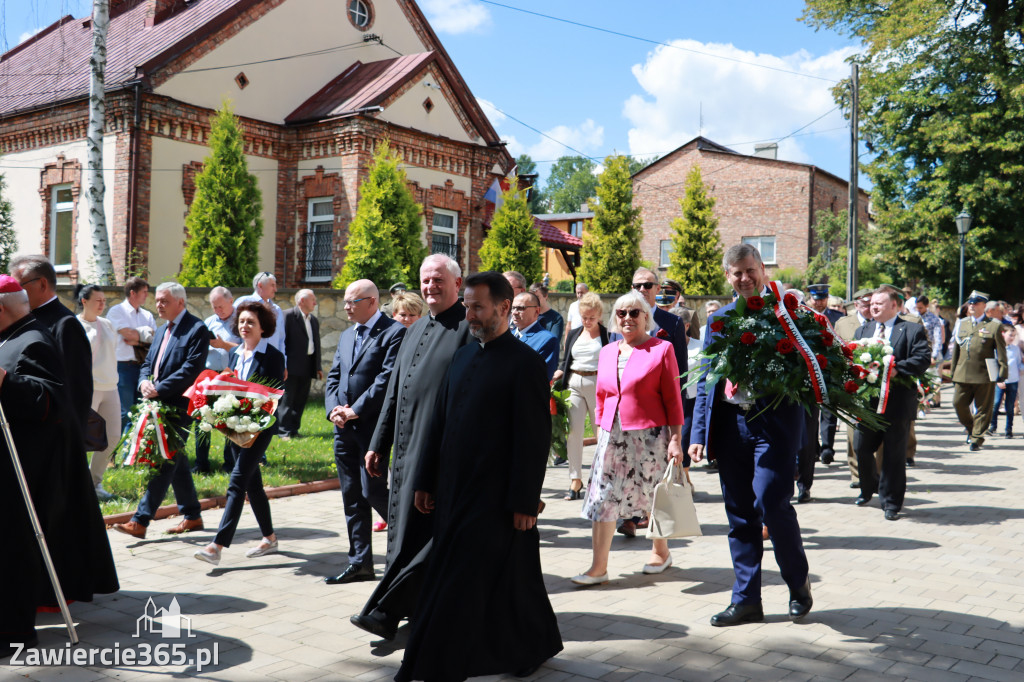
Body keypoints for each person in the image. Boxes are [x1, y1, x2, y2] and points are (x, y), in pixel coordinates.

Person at [395, 271, 562, 682]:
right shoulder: (464, 355)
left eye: (477, 307)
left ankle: (435, 664)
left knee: (464, 580)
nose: (469, 314)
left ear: (504, 308)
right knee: (514, 579)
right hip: (453, 490)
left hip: (496, 495)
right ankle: (534, 644)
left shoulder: (525, 364)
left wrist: (525, 502)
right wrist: (426, 480)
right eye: (467, 305)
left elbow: (533, 439)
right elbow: (440, 422)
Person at [689, 244, 813, 626]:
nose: (744, 279)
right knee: (739, 515)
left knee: (772, 503)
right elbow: (707, 380)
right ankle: (746, 600)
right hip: (731, 427)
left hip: (773, 425)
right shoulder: (719, 320)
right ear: (728, 276)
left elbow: (809, 373)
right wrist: (697, 432)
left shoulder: (788, 314)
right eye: (736, 273)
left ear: (762, 268)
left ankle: (797, 583)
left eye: (749, 270)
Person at [351, 254, 472, 641]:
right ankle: (398, 610)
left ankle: (389, 611)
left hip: (438, 454)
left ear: (457, 283)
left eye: (438, 280)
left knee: (425, 537)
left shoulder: (470, 331)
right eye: (425, 281)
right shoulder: (415, 329)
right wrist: (377, 443)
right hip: (404, 452)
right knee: (402, 535)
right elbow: (394, 393)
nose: (431, 287)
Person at [0, 276, 119, 659]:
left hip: (26, 468)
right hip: (8, 460)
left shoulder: (34, 340)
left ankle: (16, 633)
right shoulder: (12, 335)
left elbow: (50, 401)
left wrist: (5, 381)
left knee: (14, 549)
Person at [572, 290, 684, 585]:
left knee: (652, 495)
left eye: (635, 312)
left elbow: (673, 399)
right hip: (612, 435)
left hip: (650, 436)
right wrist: (600, 428)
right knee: (602, 497)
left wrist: (676, 439)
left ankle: (661, 553)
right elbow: (601, 396)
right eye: (621, 313)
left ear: (646, 317)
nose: (627, 318)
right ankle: (598, 567)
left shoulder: (662, 349)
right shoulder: (608, 350)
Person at [323, 280, 405, 584]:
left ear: (372, 301)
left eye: (352, 301)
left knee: (373, 491)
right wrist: (334, 409)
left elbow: (386, 380)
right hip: (343, 429)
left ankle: (415, 543)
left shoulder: (394, 333)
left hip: (373, 428)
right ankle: (360, 563)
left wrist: (355, 409)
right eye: (345, 301)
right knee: (351, 495)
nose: (346, 307)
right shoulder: (347, 335)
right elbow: (334, 377)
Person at [112, 283, 209, 539]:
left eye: (164, 301)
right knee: (176, 459)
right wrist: (144, 381)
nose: (158, 305)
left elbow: (191, 369)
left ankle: (141, 520)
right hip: (155, 402)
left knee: (165, 460)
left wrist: (159, 388)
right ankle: (193, 515)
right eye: (157, 301)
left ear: (180, 302)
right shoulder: (161, 329)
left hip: (178, 405)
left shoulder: (197, 329)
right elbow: (147, 363)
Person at [194, 301, 286, 565]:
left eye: (251, 323)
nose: (244, 326)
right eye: (242, 322)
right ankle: (269, 538)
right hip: (235, 428)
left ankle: (217, 546)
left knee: (236, 481)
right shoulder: (235, 355)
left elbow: (273, 395)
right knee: (252, 483)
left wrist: (247, 411)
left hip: (260, 428)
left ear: (262, 328)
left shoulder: (273, 356)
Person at [852, 288, 931, 521]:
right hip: (868, 404)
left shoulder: (911, 329)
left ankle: (891, 502)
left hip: (897, 403)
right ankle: (869, 488)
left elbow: (922, 358)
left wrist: (897, 369)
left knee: (894, 455)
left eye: (879, 304)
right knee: (862, 448)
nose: (873, 307)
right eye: (871, 304)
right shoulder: (863, 329)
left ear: (895, 306)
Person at [10, 255, 93, 430]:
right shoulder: (26, 319)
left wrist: (69, 442)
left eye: (19, 287)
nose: (15, 295)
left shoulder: (65, 324)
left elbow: (77, 388)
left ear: (42, 284)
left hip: (55, 436)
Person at [552, 292, 609, 500]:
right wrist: (558, 373)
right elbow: (566, 360)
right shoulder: (575, 333)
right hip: (574, 382)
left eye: (591, 318)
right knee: (573, 432)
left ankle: (602, 478)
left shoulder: (607, 335)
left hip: (598, 384)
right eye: (584, 317)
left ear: (599, 315)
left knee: (601, 433)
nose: (587, 321)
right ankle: (575, 480)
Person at [75, 284, 120, 501]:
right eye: (97, 300)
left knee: (112, 436)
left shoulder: (108, 324)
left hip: (111, 387)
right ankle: (76, 484)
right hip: (87, 389)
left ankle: (94, 483)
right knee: (81, 439)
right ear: (84, 301)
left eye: (104, 300)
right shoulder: (74, 325)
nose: (102, 304)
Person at [951, 290, 1008, 451]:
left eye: (975, 303)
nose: (972, 306)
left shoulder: (994, 326)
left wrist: (1002, 374)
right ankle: (972, 429)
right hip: (962, 373)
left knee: (983, 409)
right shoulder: (962, 324)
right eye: (970, 303)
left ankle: (976, 438)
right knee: (958, 404)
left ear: (984, 306)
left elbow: (1001, 352)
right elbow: (956, 350)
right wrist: (953, 371)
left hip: (984, 374)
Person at [194, 286, 240, 474]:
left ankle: (230, 463)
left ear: (231, 301)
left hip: (231, 376)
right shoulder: (209, 322)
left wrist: (223, 345)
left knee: (231, 420)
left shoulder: (241, 321)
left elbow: (246, 348)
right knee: (203, 420)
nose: (218, 311)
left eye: (221, 306)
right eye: (214, 307)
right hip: (210, 375)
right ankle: (201, 463)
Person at [106, 276, 155, 428]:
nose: (147, 295)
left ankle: (135, 448)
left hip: (143, 368)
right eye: (144, 292)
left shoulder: (147, 315)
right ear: (133, 293)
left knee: (142, 410)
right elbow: (128, 335)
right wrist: (143, 335)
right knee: (124, 411)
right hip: (123, 367)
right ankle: (121, 448)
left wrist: (137, 340)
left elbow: (155, 338)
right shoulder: (117, 311)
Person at [279, 289, 322, 440]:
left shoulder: (313, 320)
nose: (315, 303)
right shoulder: (287, 316)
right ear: (302, 301)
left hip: (307, 364)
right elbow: (281, 343)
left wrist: (318, 367)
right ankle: (283, 430)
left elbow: (316, 344)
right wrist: (282, 365)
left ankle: (294, 429)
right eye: (313, 300)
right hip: (290, 366)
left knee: (301, 399)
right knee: (287, 399)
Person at [511, 291, 559, 381]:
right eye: (513, 308)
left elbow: (542, 377)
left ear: (537, 311)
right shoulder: (506, 336)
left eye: (520, 308)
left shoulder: (547, 339)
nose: (514, 312)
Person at [235, 271, 285, 353]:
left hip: (272, 360)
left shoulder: (277, 310)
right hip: (250, 357)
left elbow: (281, 339)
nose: (275, 289)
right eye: (272, 285)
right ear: (260, 285)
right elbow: (235, 332)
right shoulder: (243, 302)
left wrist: (283, 361)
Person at [990, 325, 1020, 438]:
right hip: (1000, 381)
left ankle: (1009, 429)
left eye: (1014, 335)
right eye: (1010, 335)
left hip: (1013, 381)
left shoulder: (1015, 349)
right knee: (996, 403)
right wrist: (998, 380)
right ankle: (993, 426)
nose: (1012, 337)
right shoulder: (996, 349)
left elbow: (1018, 364)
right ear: (1003, 334)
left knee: (1010, 406)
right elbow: (994, 365)